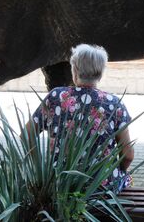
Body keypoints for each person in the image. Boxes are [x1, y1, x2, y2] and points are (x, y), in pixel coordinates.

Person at [25, 44, 134, 193]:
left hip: (60, 184)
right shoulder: (114, 104)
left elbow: (26, 135)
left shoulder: (56, 97)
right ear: (101, 73)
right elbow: (128, 155)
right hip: (101, 189)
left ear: (74, 70)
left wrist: (40, 168)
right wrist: (114, 173)